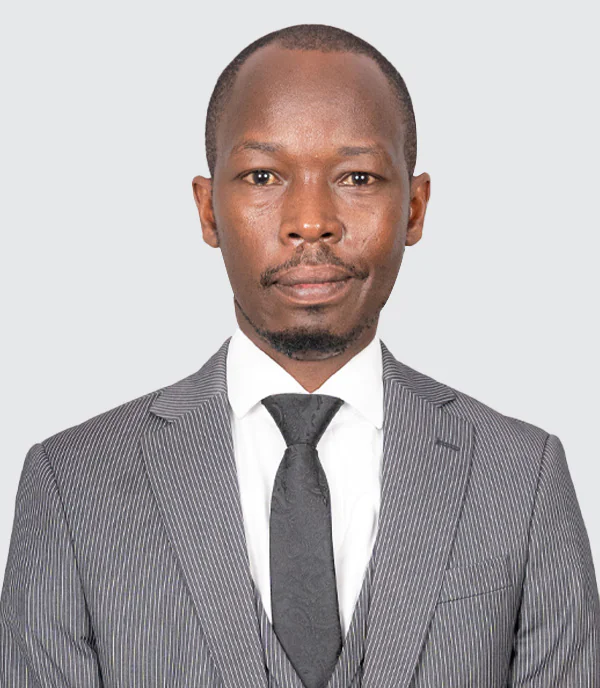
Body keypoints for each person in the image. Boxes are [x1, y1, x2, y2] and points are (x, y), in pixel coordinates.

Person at [1, 22, 598, 688]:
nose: (311, 221)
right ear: (207, 210)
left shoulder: (522, 478)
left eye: (358, 177)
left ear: (415, 208)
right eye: (263, 176)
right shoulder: (72, 485)